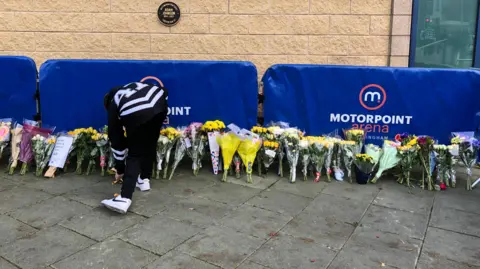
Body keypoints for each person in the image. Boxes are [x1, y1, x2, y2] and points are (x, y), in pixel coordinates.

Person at [101, 81, 168, 214]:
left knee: (135, 153)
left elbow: (116, 138)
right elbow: (163, 91)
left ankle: (124, 198)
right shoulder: (130, 88)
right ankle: (144, 179)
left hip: (139, 111)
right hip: (160, 105)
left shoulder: (114, 102)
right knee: (149, 142)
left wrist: (120, 168)